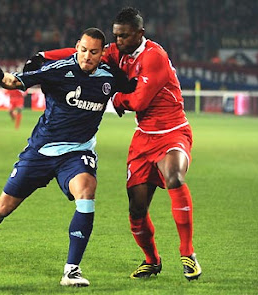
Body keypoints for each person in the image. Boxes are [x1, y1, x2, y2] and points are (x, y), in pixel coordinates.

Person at [30, 7, 202, 281]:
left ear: (140, 34)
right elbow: (84, 52)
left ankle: (188, 254)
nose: (118, 42)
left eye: (124, 36)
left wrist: (117, 99)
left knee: (174, 177)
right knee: (136, 208)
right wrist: (43, 57)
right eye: (116, 36)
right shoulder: (117, 52)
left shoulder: (154, 57)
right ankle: (151, 260)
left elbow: (138, 102)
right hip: (143, 136)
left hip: (172, 130)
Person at [0, 28, 134, 287]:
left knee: (86, 192)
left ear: (102, 53)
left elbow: (133, 89)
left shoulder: (110, 76)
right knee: (2, 208)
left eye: (93, 52)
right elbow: (18, 82)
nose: (87, 56)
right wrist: (0, 77)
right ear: (76, 46)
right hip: (41, 151)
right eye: (83, 50)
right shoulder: (58, 70)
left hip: (78, 152)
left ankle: (71, 270)